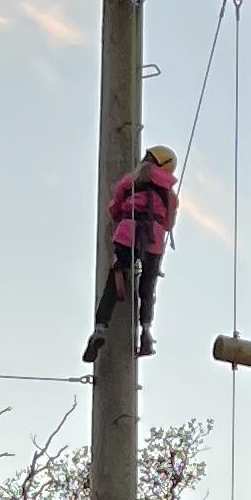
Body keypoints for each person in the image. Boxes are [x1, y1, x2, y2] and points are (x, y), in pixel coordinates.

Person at [86, 138, 181, 360]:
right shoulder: (170, 195)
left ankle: (100, 328)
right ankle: (146, 331)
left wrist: (122, 214)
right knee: (147, 287)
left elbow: (115, 207)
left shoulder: (131, 180)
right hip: (153, 239)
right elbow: (168, 224)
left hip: (128, 232)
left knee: (116, 278)